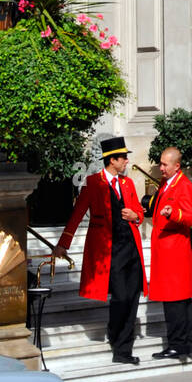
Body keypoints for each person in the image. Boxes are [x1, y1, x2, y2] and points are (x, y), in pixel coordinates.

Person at [53, 137, 146, 366]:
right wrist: (64, 243)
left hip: (131, 249)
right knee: (121, 297)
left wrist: (137, 216)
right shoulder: (93, 183)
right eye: (123, 157)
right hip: (109, 251)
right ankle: (117, 337)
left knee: (132, 298)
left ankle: (124, 349)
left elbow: (137, 212)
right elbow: (77, 213)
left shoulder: (128, 184)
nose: (126, 161)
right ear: (112, 160)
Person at [148, 146, 192, 362]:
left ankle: (178, 344)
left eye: (165, 164)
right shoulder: (165, 183)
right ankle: (186, 343)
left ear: (176, 166)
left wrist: (173, 213)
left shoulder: (183, 185)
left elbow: (190, 217)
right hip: (166, 250)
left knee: (176, 300)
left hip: (174, 251)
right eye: (160, 163)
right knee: (179, 299)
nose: (161, 168)